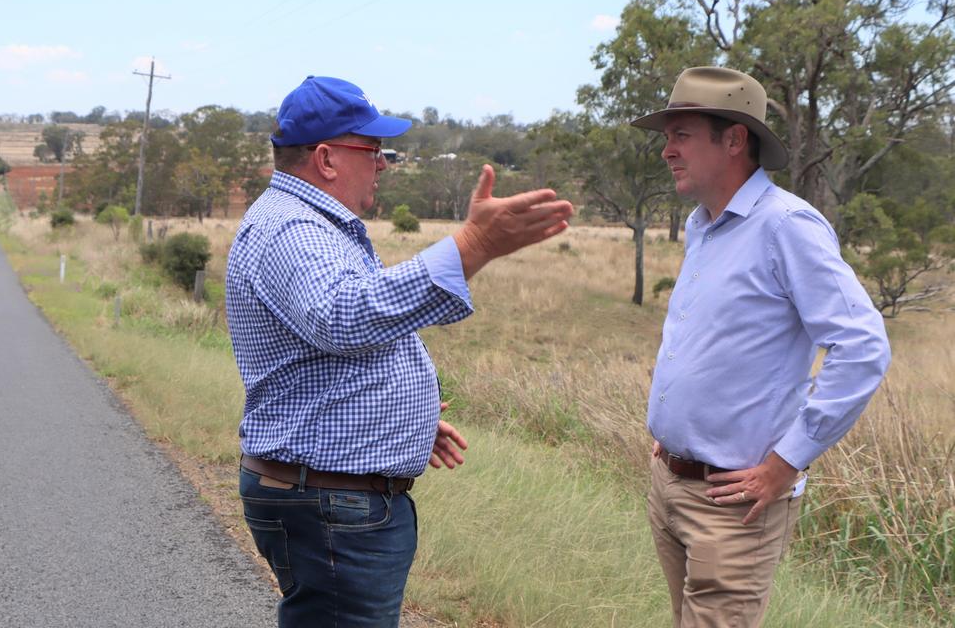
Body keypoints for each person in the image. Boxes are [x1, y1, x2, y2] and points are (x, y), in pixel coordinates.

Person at [226, 75, 573, 626]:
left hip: (329, 494)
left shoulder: (309, 223)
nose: (384, 162)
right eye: (373, 149)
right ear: (327, 159)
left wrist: (396, 420)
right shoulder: (294, 227)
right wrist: (473, 246)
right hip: (332, 503)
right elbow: (344, 316)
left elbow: (323, 347)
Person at [631, 66, 892, 627]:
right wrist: (676, 436)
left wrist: (786, 461)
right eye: (667, 136)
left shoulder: (787, 226)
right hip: (672, 483)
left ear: (734, 139)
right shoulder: (705, 224)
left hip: (735, 504)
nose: (666, 151)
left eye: (682, 134)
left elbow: (862, 347)